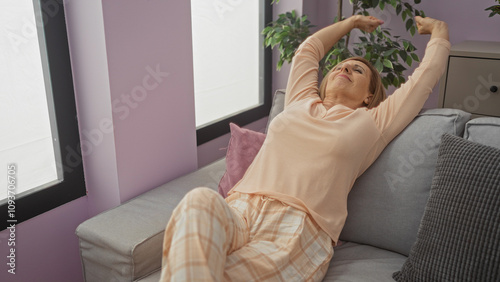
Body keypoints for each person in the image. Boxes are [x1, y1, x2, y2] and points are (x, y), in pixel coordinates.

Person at [160, 15, 450, 282]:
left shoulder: (372, 123)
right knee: (198, 202)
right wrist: (349, 23)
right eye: (339, 65)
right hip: (240, 208)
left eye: (357, 69)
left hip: (298, 228)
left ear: (369, 96)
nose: (345, 67)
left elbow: (423, 80)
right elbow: (308, 50)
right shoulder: (300, 100)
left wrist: (439, 32)